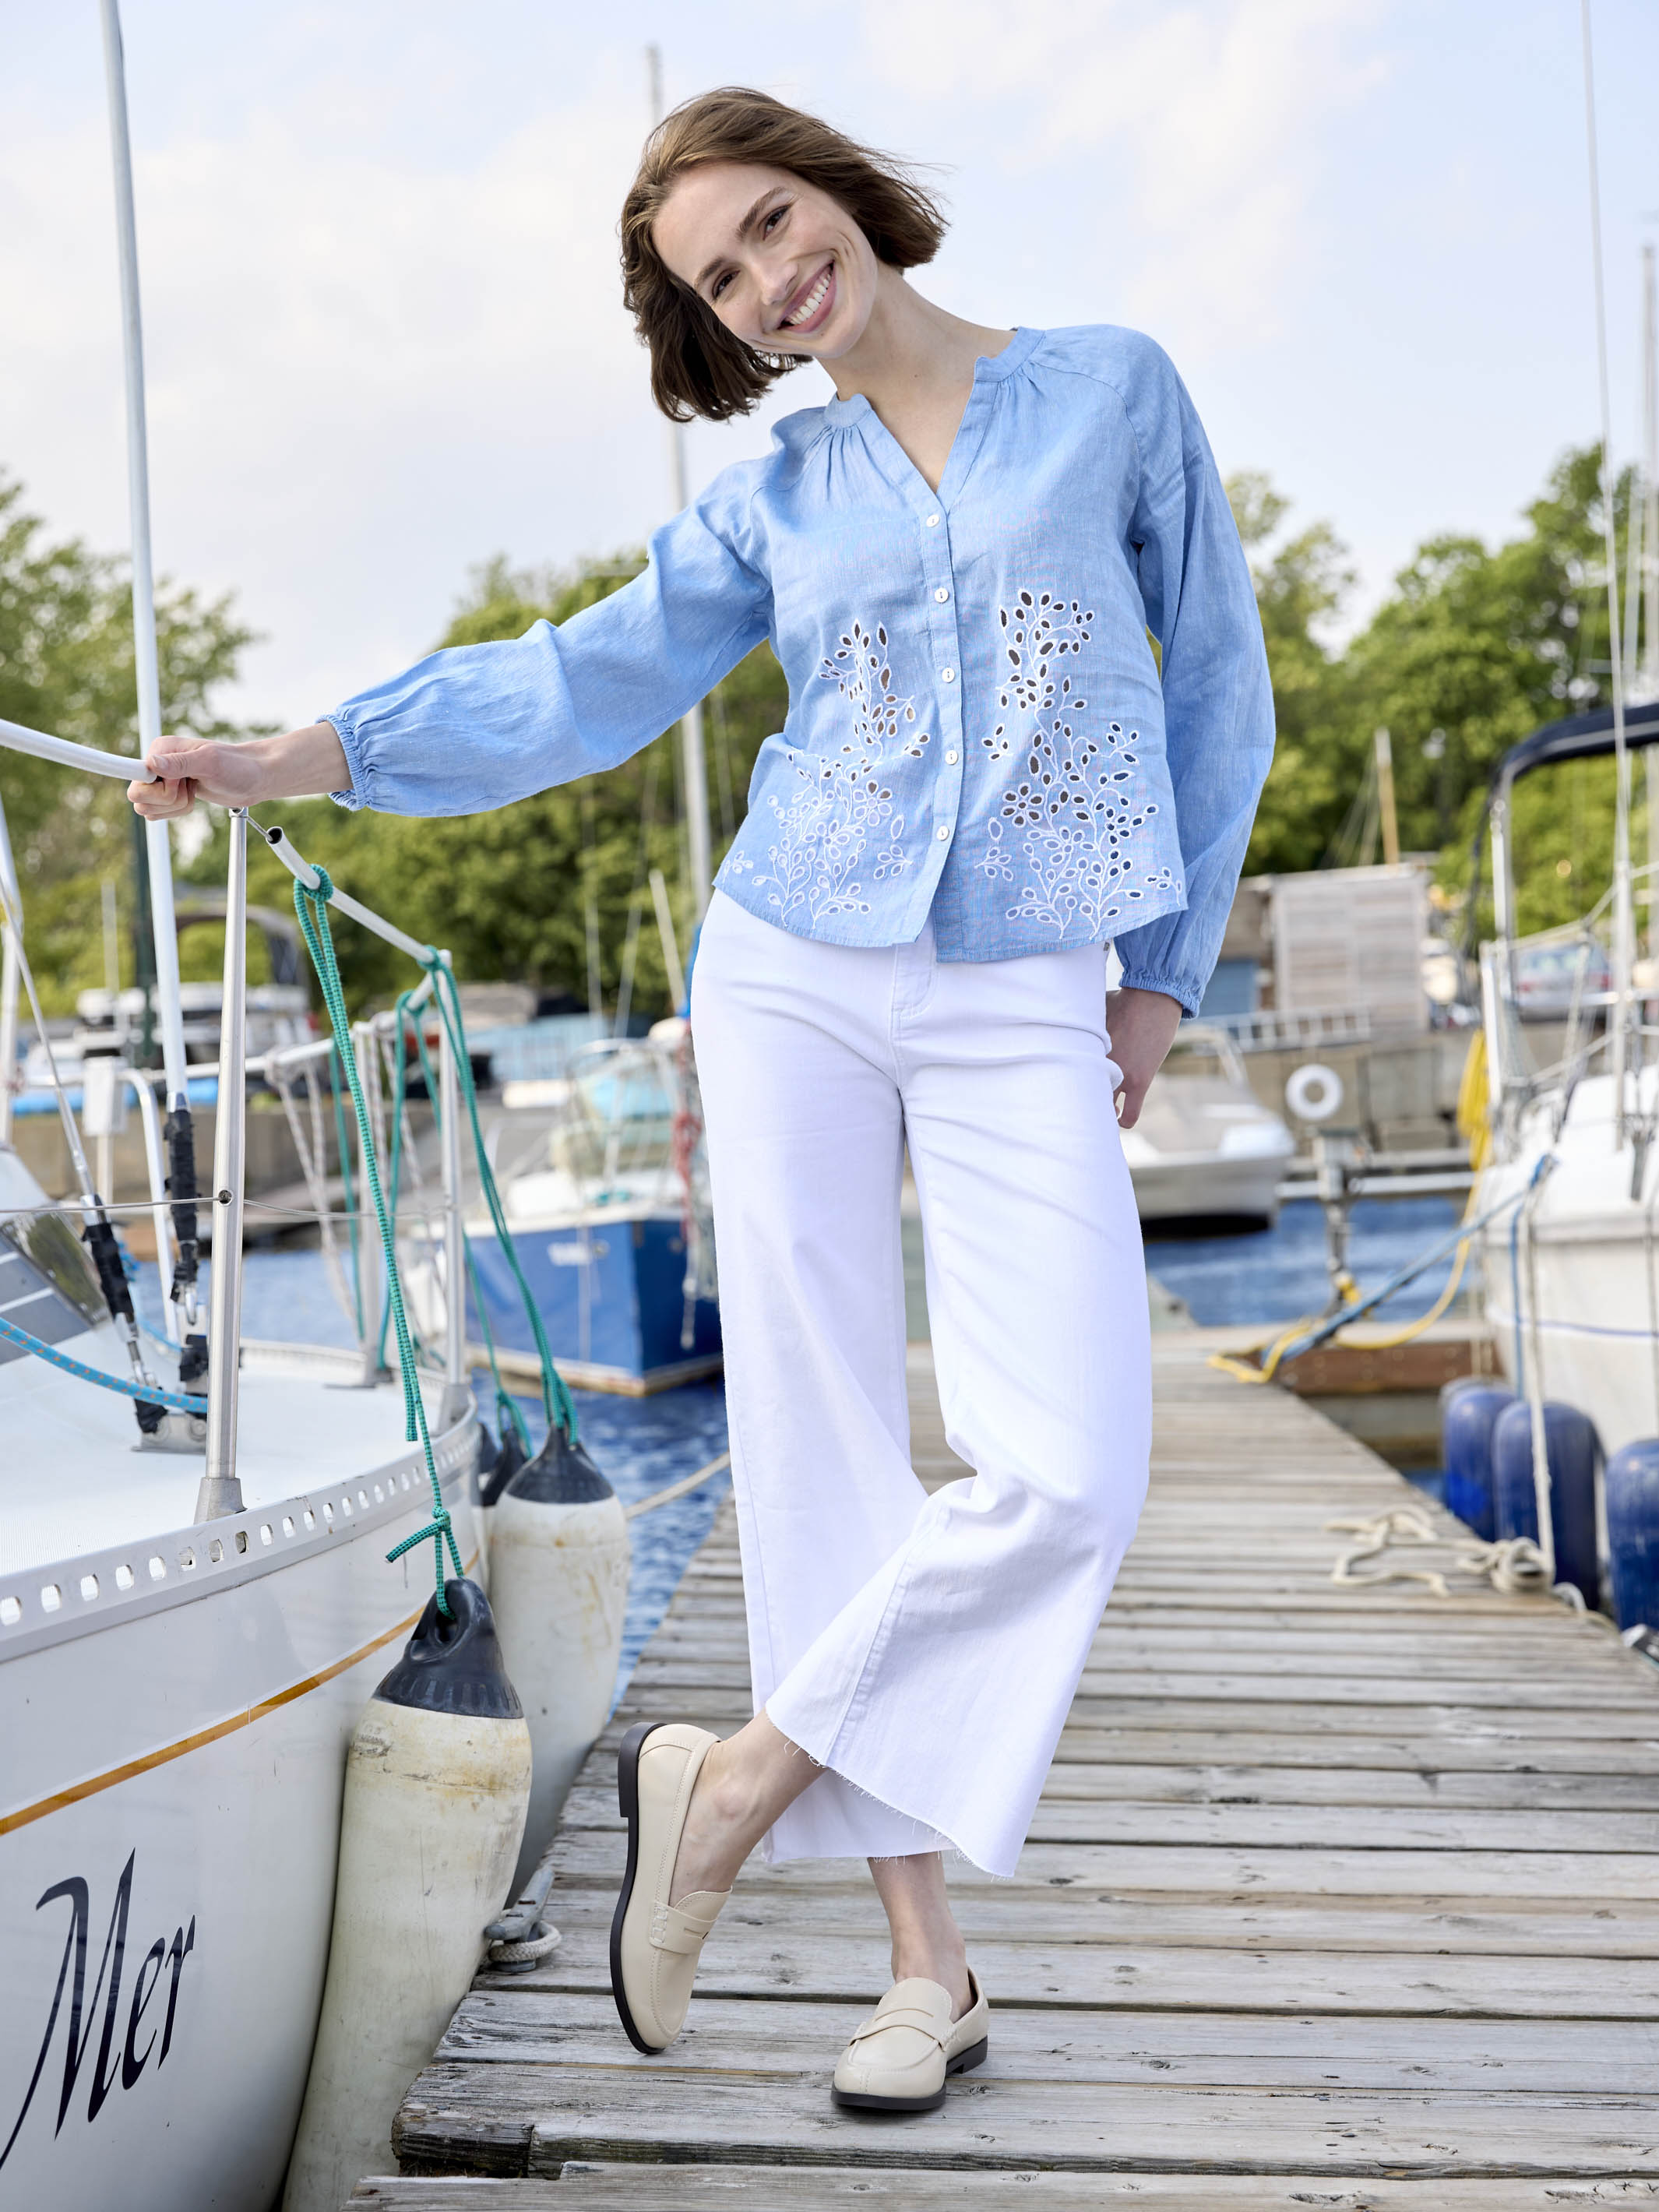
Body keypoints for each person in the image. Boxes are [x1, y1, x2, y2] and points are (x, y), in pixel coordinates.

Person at [131, 86, 1273, 2112]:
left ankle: (728, 1784)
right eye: (719, 278)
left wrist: (1160, 978)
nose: (766, 278)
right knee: (822, 1457)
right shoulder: (780, 501)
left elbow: (1215, 694)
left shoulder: (1108, 389)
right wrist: (296, 756)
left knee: (1071, 1471)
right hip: (792, 966)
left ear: (835, 182)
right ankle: (924, 1974)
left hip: (1029, 975)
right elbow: (575, 681)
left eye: (767, 221)